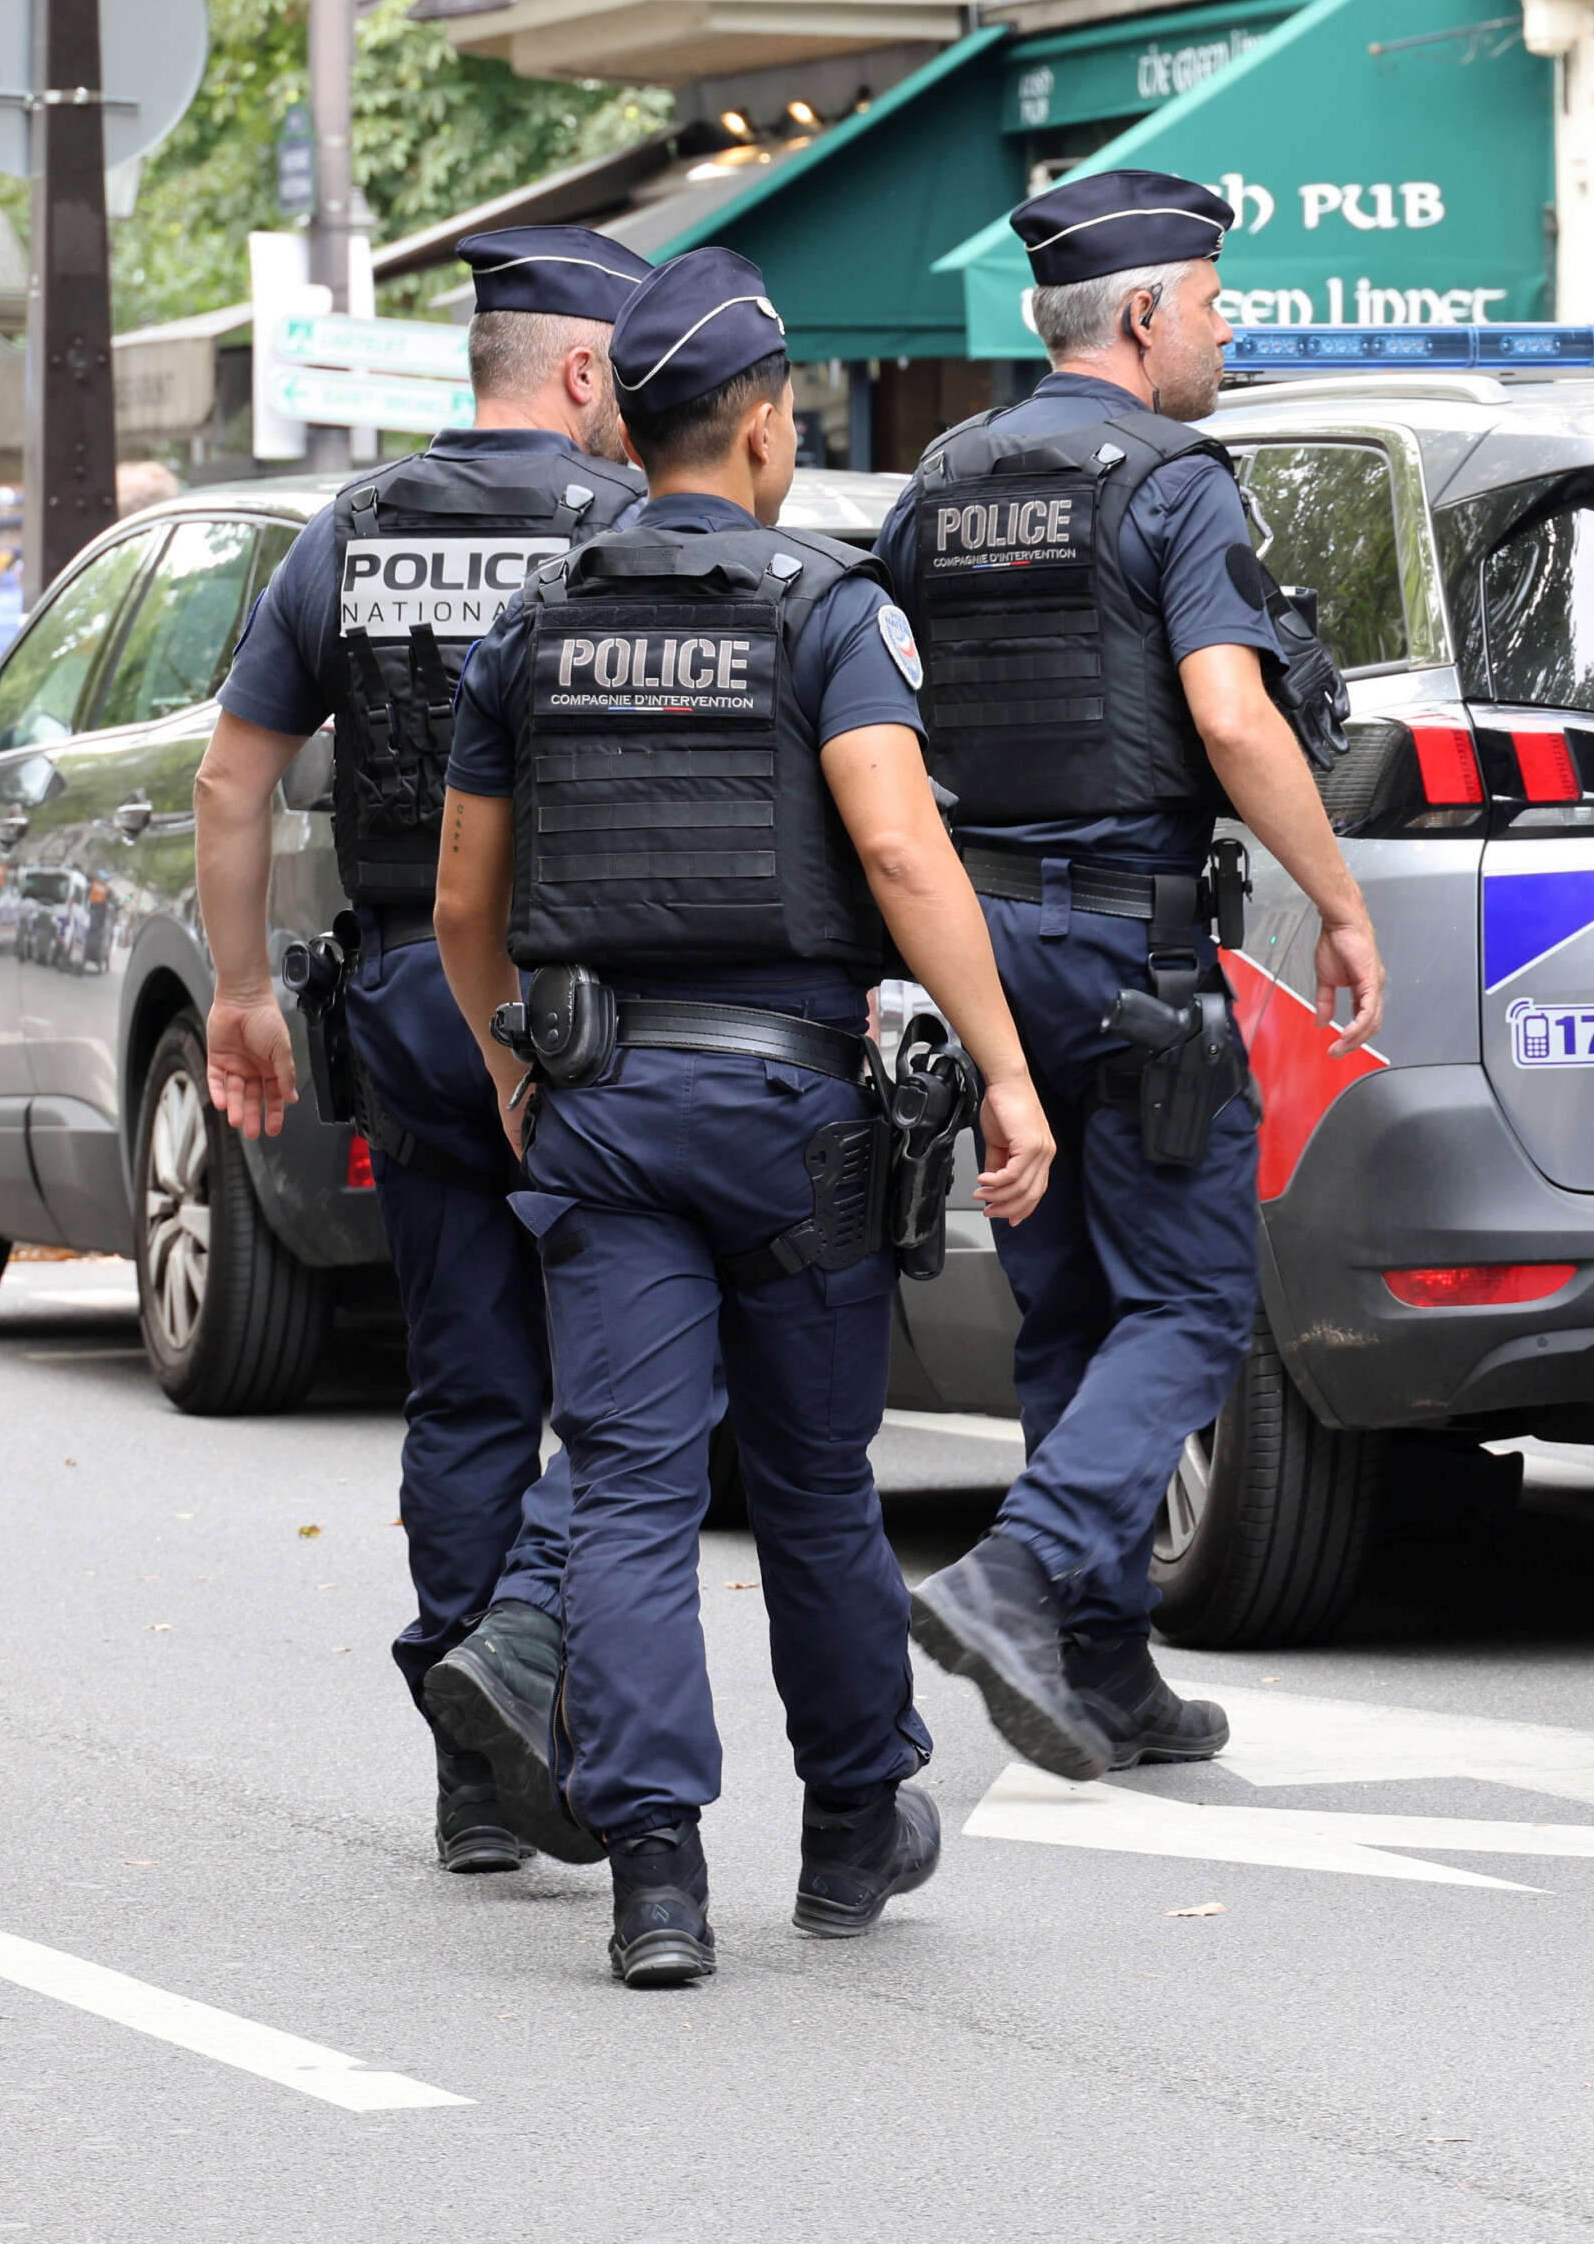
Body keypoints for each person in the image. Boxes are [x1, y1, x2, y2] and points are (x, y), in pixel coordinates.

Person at [433, 246, 1054, 1989]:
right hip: (789, 1113)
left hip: (605, 1103)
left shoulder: (537, 622)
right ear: (767, 426)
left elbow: (465, 898)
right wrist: (1004, 1069)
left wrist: (507, 1058)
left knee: (629, 1484)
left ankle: (654, 1878)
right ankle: (855, 1826)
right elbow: (898, 847)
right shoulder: (825, 609)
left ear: (626, 427)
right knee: (810, 1484)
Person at [880, 168, 1378, 1781]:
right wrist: (1338, 899)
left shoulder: (938, 484)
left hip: (984, 949)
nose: (1225, 336)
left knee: (1066, 1302)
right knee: (1189, 1294)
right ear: (1149, 311)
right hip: (1130, 944)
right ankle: (1027, 1577)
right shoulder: (1177, 483)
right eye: (1218, 305)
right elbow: (1231, 716)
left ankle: (1100, 1664)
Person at [193, 226, 653, 1877]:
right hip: (597, 1013)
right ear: (588, 371)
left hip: (403, 996)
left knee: (465, 1383)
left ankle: (472, 1774)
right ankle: (533, 1672)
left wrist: (243, 988)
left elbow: (231, 781)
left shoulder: (355, 527)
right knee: (635, 1368)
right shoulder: (624, 528)